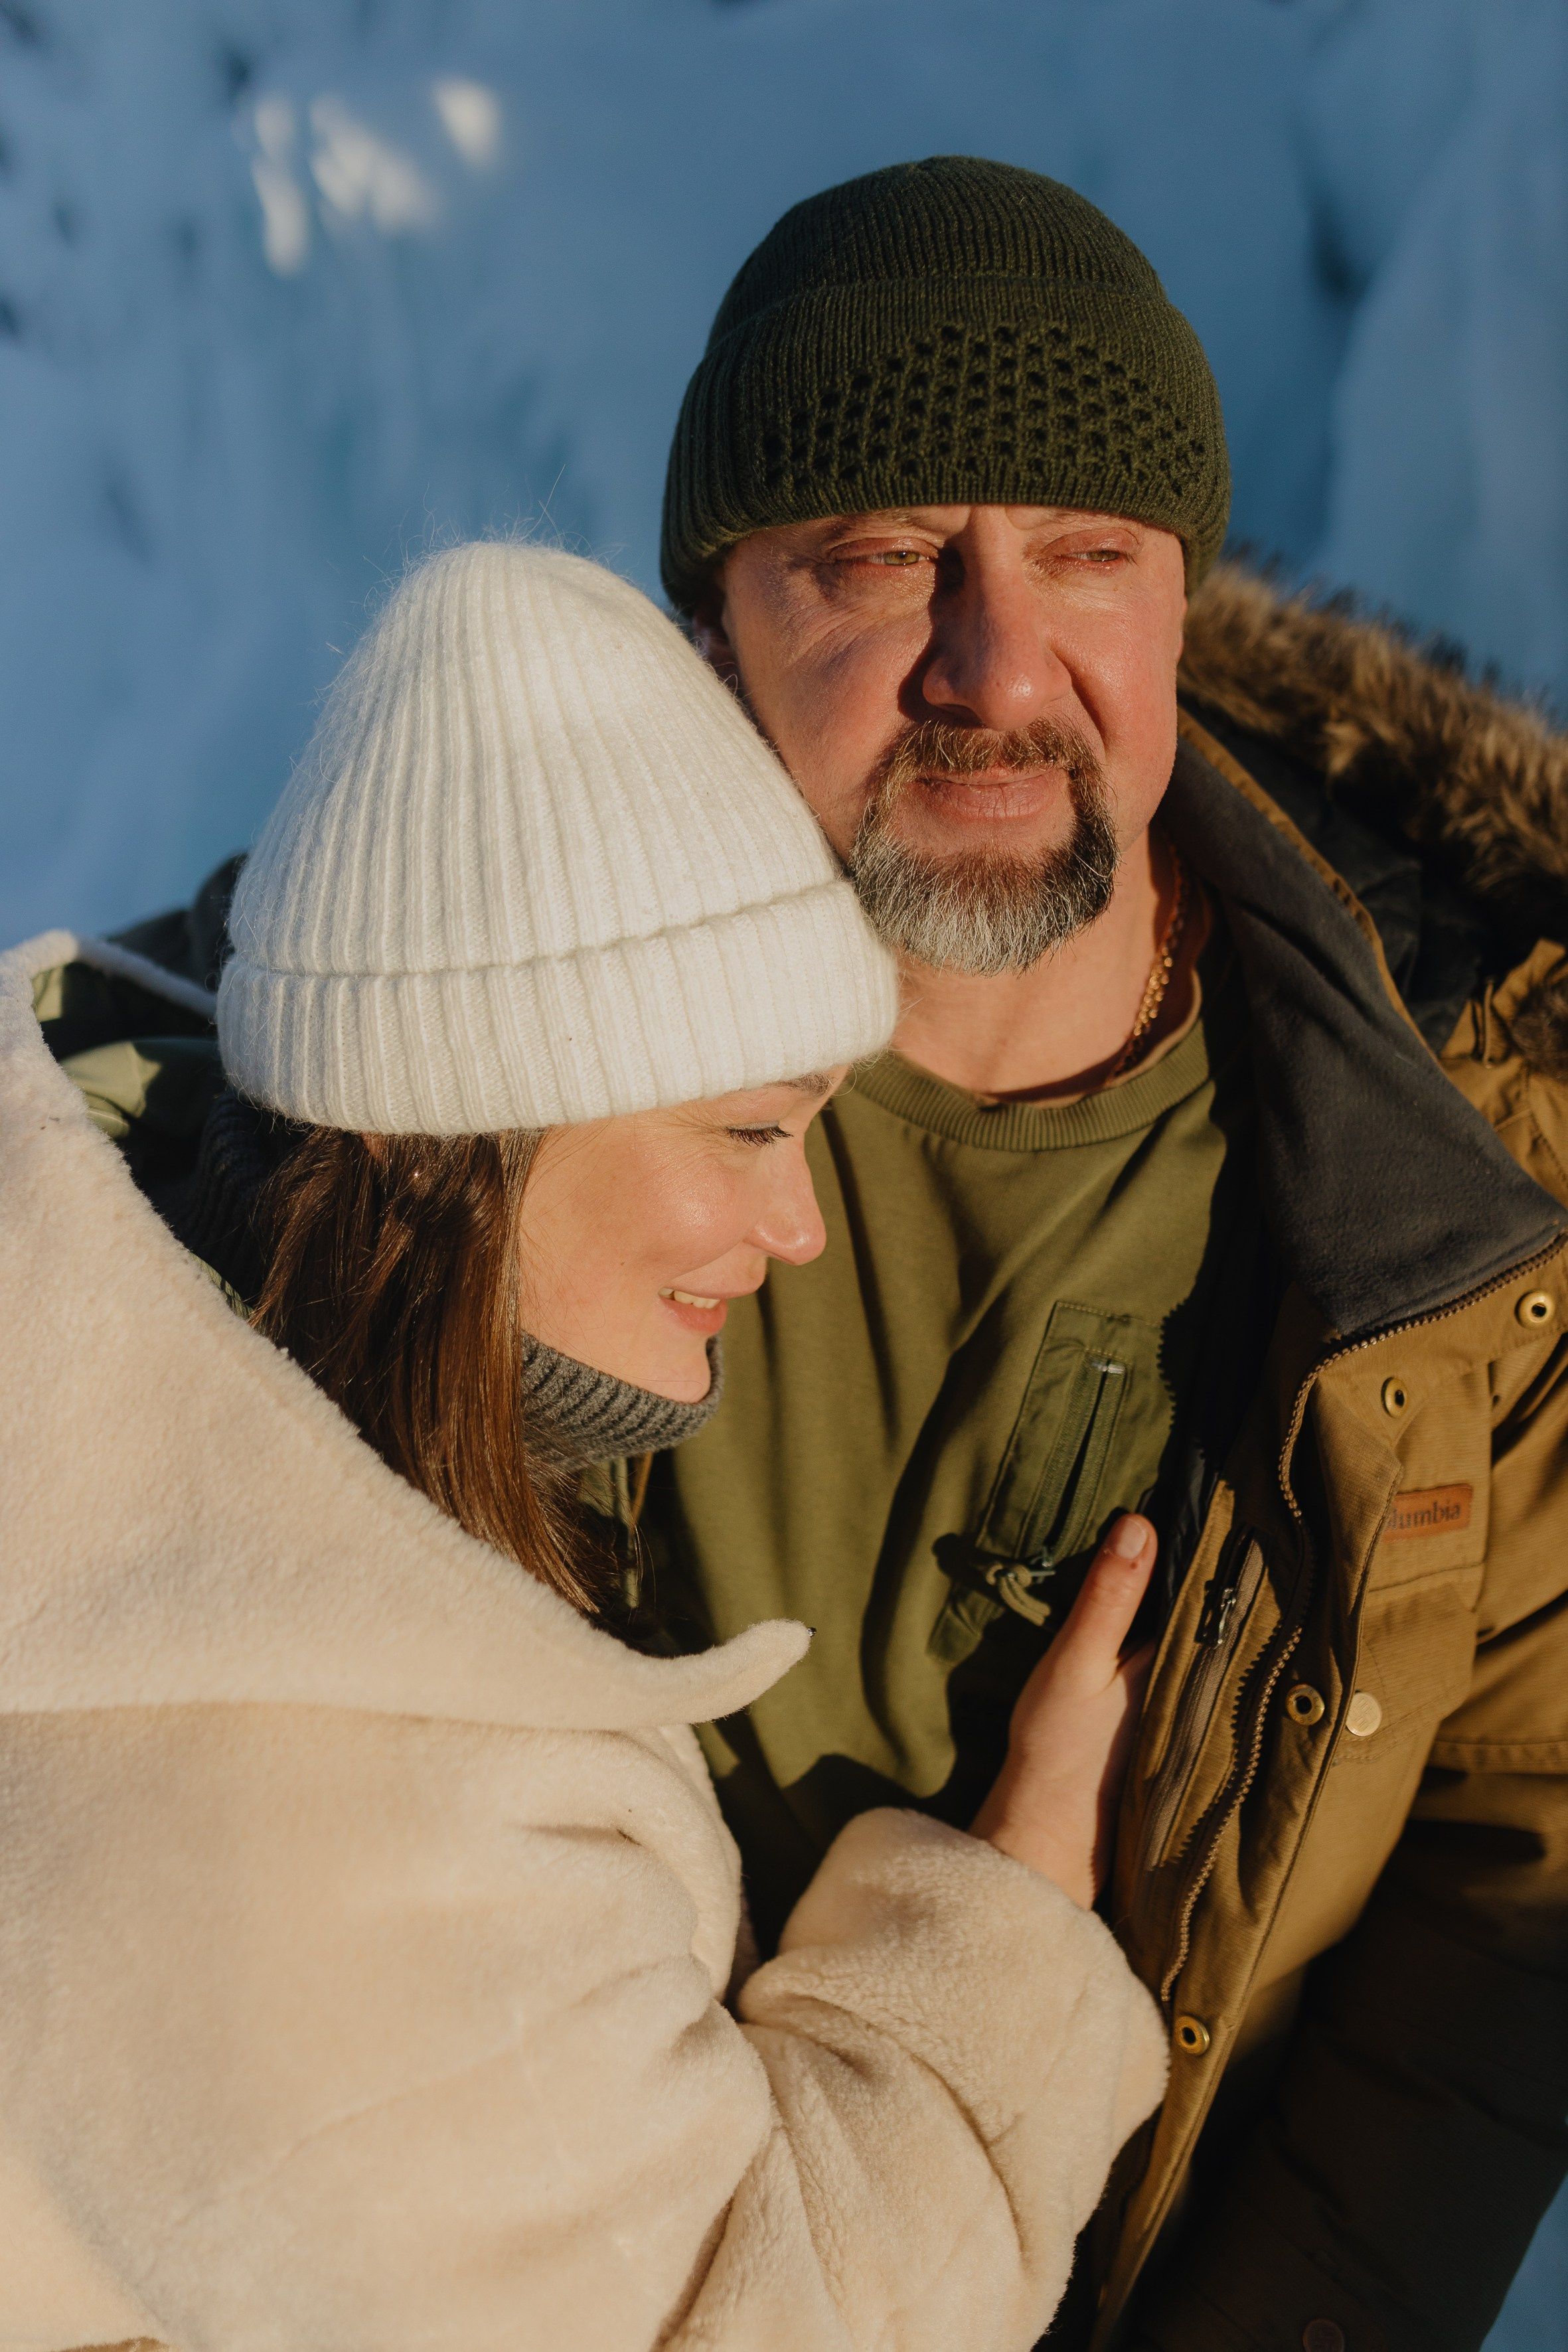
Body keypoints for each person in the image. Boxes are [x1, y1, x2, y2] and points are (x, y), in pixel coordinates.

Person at [0, 541, 1170, 2352]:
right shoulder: (316, 1813)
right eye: (741, 1135)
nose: (796, 1233)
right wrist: (1003, 1915)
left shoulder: (130, 1347)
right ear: (458, 1128)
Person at [633, 158, 1568, 2350]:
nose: (993, 662)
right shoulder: (446, 1083)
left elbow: (1523, 1834)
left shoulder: (1468, 1191)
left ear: (1173, 604)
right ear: (713, 622)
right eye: (875, 557)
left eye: (1084, 556)